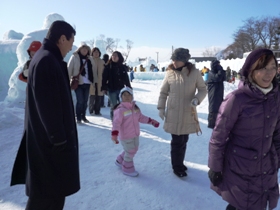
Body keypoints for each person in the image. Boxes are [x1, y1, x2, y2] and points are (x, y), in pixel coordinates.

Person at [10, 20, 80, 210]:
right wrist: (59, 139)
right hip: (50, 147)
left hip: (48, 144)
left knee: (49, 195)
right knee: (46, 197)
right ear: (62, 38)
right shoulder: (47, 60)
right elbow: (47, 106)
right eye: (71, 41)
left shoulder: (47, 58)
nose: (72, 46)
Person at [208, 49, 280, 210]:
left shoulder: (276, 97)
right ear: (250, 71)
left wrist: (277, 159)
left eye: (272, 67)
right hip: (239, 169)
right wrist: (215, 167)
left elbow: (277, 133)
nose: (268, 74)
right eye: (262, 68)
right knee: (240, 204)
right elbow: (219, 136)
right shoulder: (236, 99)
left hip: (266, 168)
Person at [157, 48, 207, 178]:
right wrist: (161, 108)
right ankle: (177, 166)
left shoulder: (195, 73)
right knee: (177, 141)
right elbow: (163, 92)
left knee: (184, 139)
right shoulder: (169, 73)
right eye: (173, 59)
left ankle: (180, 162)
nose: (174, 62)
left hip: (187, 111)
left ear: (184, 60)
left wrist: (197, 99)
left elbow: (203, 89)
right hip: (174, 112)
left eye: (177, 59)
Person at [112, 87, 159, 177]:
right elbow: (116, 123)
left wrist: (151, 121)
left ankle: (119, 160)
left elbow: (141, 117)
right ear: (120, 97)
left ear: (132, 96)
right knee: (131, 151)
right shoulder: (120, 110)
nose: (127, 97)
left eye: (129, 95)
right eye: (124, 95)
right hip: (126, 136)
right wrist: (114, 134)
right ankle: (127, 169)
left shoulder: (135, 108)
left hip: (135, 134)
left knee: (133, 148)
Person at [68, 43, 97, 123]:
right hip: (78, 82)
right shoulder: (75, 57)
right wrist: (67, 80)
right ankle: (78, 117)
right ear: (79, 50)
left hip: (87, 83)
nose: (84, 50)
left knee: (85, 101)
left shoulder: (90, 59)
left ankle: (83, 116)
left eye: (86, 49)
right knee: (80, 101)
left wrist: (94, 82)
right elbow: (69, 69)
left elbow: (94, 71)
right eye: (82, 49)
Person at [101, 51, 132, 120]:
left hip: (121, 89)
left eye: (116, 56)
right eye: (113, 55)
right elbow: (104, 78)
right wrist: (103, 88)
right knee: (114, 105)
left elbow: (126, 78)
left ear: (119, 57)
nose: (114, 57)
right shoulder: (108, 67)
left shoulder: (122, 67)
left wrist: (129, 87)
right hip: (111, 89)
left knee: (123, 104)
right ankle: (114, 120)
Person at [207, 59, 226, 129]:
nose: (219, 66)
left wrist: (222, 70)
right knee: (213, 107)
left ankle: (217, 122)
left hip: (219, 93)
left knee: (219, 107)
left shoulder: (217, 72)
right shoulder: (211, 73)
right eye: (217, 65)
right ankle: (211, 123)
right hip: (213, 93)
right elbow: (218, 78)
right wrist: (220, 70)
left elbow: (224, 77)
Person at [89, 47, 105, 116]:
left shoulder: (102, 61)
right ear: (92, 53)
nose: (96, 53)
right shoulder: (89, 60)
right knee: (92, 96)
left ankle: (97, 111)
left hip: (100, 81)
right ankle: (91, 110)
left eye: (97, 52)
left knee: (99, 97)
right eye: (94, 52)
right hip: (92, 81)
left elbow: (104, 72)